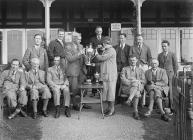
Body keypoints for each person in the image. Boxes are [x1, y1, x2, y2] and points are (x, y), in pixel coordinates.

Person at [65, 32, 89, 110]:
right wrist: (79, 54)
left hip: (82, 71)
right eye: (78, 39)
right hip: (73, 72)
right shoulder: (68, 47)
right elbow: (70, 59)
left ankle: (83, 103)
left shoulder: (81, 46)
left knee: (83, 89)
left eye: (80, 39)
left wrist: (87, 57)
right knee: (74, 89)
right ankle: (75, 104)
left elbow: (83, 57)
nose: (80, 40)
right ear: (74, 38)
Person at [95, 36, 117, 117]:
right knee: (107, 92)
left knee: (111, 93)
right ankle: (108, 108)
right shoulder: (107, 50)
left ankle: (112, 109)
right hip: (106, 75)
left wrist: (96, 53)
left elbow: (102, 58)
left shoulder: (111, 50)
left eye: (104, 43)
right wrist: (100, 49)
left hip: (111, 75)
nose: (104, 45)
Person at [120, 55, 145, 120]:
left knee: (136, 86)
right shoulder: (124, 69)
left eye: (134, 60)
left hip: (138, 87)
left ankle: (129, 100)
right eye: (131, 60)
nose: (132, 61)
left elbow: (144, 80)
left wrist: (137, 81)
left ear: (136, 61)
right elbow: (123, 80)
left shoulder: (140, 70)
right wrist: (132, 82)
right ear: (129, 61)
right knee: (136, 93)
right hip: (127, 88)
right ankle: (135, 112)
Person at [158, 40, 178, 112]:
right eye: (162, 46)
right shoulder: (159, 55)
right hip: (162, 76)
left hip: (170, 75)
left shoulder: (172, 54)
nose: (164, 48)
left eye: (165, 46)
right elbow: (159, 66)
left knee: (170, 92)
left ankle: (171, 108)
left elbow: (176, 66)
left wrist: (174, 75)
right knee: (162, 91)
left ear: (168, 46)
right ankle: (163, 108)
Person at [114, 33, 131, 103]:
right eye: (120, 38)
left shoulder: (129, 47)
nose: (121, 39)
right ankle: (116, 99)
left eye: (122, 38)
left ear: (125, 39)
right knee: (117, 83)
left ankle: (124, 99)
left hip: (125, 66)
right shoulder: (115, 47)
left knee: (124, 82)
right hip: (117, 66)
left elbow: (129, 58)